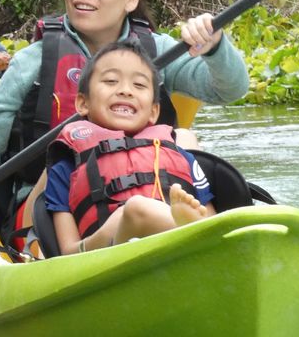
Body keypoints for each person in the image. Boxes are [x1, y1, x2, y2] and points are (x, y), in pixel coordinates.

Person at [0, 0, 248, 247]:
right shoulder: (34, 61)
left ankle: (192, 229)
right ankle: (194, 234)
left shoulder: (157, 51)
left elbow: (229, 89)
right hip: (55, 212)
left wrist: (215, 46)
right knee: (58, 161)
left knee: (184, 141)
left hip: (155, 190)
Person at [45, 41, 215, 255]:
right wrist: (112, 228)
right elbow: (68, 253)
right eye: (111, 81)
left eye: (139, 85)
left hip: (183, 253)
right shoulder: (65, 168)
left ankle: (184, 228)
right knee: (136, 209)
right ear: (82, 103)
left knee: (143, 209)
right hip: (108, 258)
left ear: (154, 112)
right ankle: (184, 228)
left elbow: (211, 215)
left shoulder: (183, 157)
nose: (125, 91)